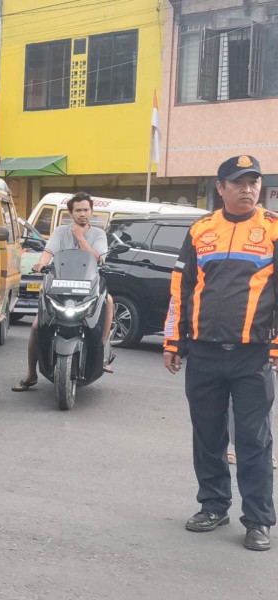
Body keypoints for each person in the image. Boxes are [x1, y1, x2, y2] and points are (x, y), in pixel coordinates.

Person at [164, 155, 276, 551]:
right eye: (238, 182)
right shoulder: (200, 231)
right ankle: (213, 505)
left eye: (254, 182)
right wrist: (174, 341)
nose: (247, 189)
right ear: (221, 188)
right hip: (205, 354)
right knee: (208, 436)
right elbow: (181, 288)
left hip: (254, 355)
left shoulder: (273, 229)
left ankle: (259, 520)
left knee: (253, 439)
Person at [12, 192, 114, 392]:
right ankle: (31, 373)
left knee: (109, 301)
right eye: (78, 210)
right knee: (35, 327)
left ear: (91, 212)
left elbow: (98, 258)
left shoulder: (99, 234)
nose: (82, 214)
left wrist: (79, 236)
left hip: (87, 287)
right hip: (59, 286)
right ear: (71, 213)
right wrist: (41, 264)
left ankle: (100, 351)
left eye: (86, 210)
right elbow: (48, 252)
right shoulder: (60, 232)